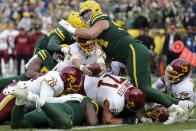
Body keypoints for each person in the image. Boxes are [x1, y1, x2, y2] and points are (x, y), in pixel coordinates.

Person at [59, 0, 193, 124]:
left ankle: (173, 109)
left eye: (87, 12)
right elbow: (109, 54)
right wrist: (101, 69)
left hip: (133, 51)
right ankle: (183, 104)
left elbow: (91, 34)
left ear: (95, 10)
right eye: (83, 14)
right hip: (132, 52)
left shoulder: (100, 19)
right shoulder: (100, 32)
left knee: (143, 89)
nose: (86, 16)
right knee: (142, 90)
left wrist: (72, 29)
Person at [3, 66, 83, 107]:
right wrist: (67, 98)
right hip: (13, 94)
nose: (71, 90)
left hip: (22, 99)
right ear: (69, 81)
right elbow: (45, 101)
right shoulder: (55, 80)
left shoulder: (58, 77)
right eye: (73, 87)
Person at [10, 94, 98, 129]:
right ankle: (42, 102)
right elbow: (92, 122)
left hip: (49, 108)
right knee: (65, 124)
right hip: (62, 110)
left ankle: (19, 102)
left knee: (18, 125)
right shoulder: (88, 100)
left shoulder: (63, 93)